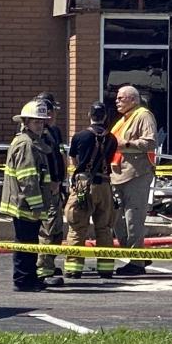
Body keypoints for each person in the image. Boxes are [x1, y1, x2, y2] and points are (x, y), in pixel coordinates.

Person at [0, 99, 53, 292]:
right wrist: (37, 206)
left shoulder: (33, 142)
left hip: (27, 203)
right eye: (36, 122)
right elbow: (28, 179)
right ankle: (23, 280)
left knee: (30, 243)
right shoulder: (26, 145)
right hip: (25, 204)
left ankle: (30, 277)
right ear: (26, 122)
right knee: (25, 243)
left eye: (41, 121)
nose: (40, 125)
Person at [64, 102, 119, 280]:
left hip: (82, 187)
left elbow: (73, 158)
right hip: (104, 186)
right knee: (104, 228)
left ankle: (74, 268)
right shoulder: (112, 139)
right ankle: (105, 268)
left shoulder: (79, 136)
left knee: (77, 227)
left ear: (90, 115)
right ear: (104, 117)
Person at [110, 85, 157, 276]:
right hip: (118, 175)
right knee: (117, 220)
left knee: (133, 219)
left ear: (133, 100)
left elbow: (151, 142)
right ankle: (136, 255)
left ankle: (136, 263)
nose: (117, 101)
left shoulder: (143, 115)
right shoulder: (124, 119)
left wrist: (125, 145)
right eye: (117, 98)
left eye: (121, 98)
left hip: (136, 174)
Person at [35, 92, 67, 286]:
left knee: (56, 230)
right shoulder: (39, 135)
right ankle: (43, 270)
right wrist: (51, 183)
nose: (54, 114)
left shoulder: (54, 132)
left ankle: (49, 264)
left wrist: (62, 181)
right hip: (47, 189)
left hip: (57, 187)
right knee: (47, 230)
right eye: (52, 110)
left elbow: (59, 157)